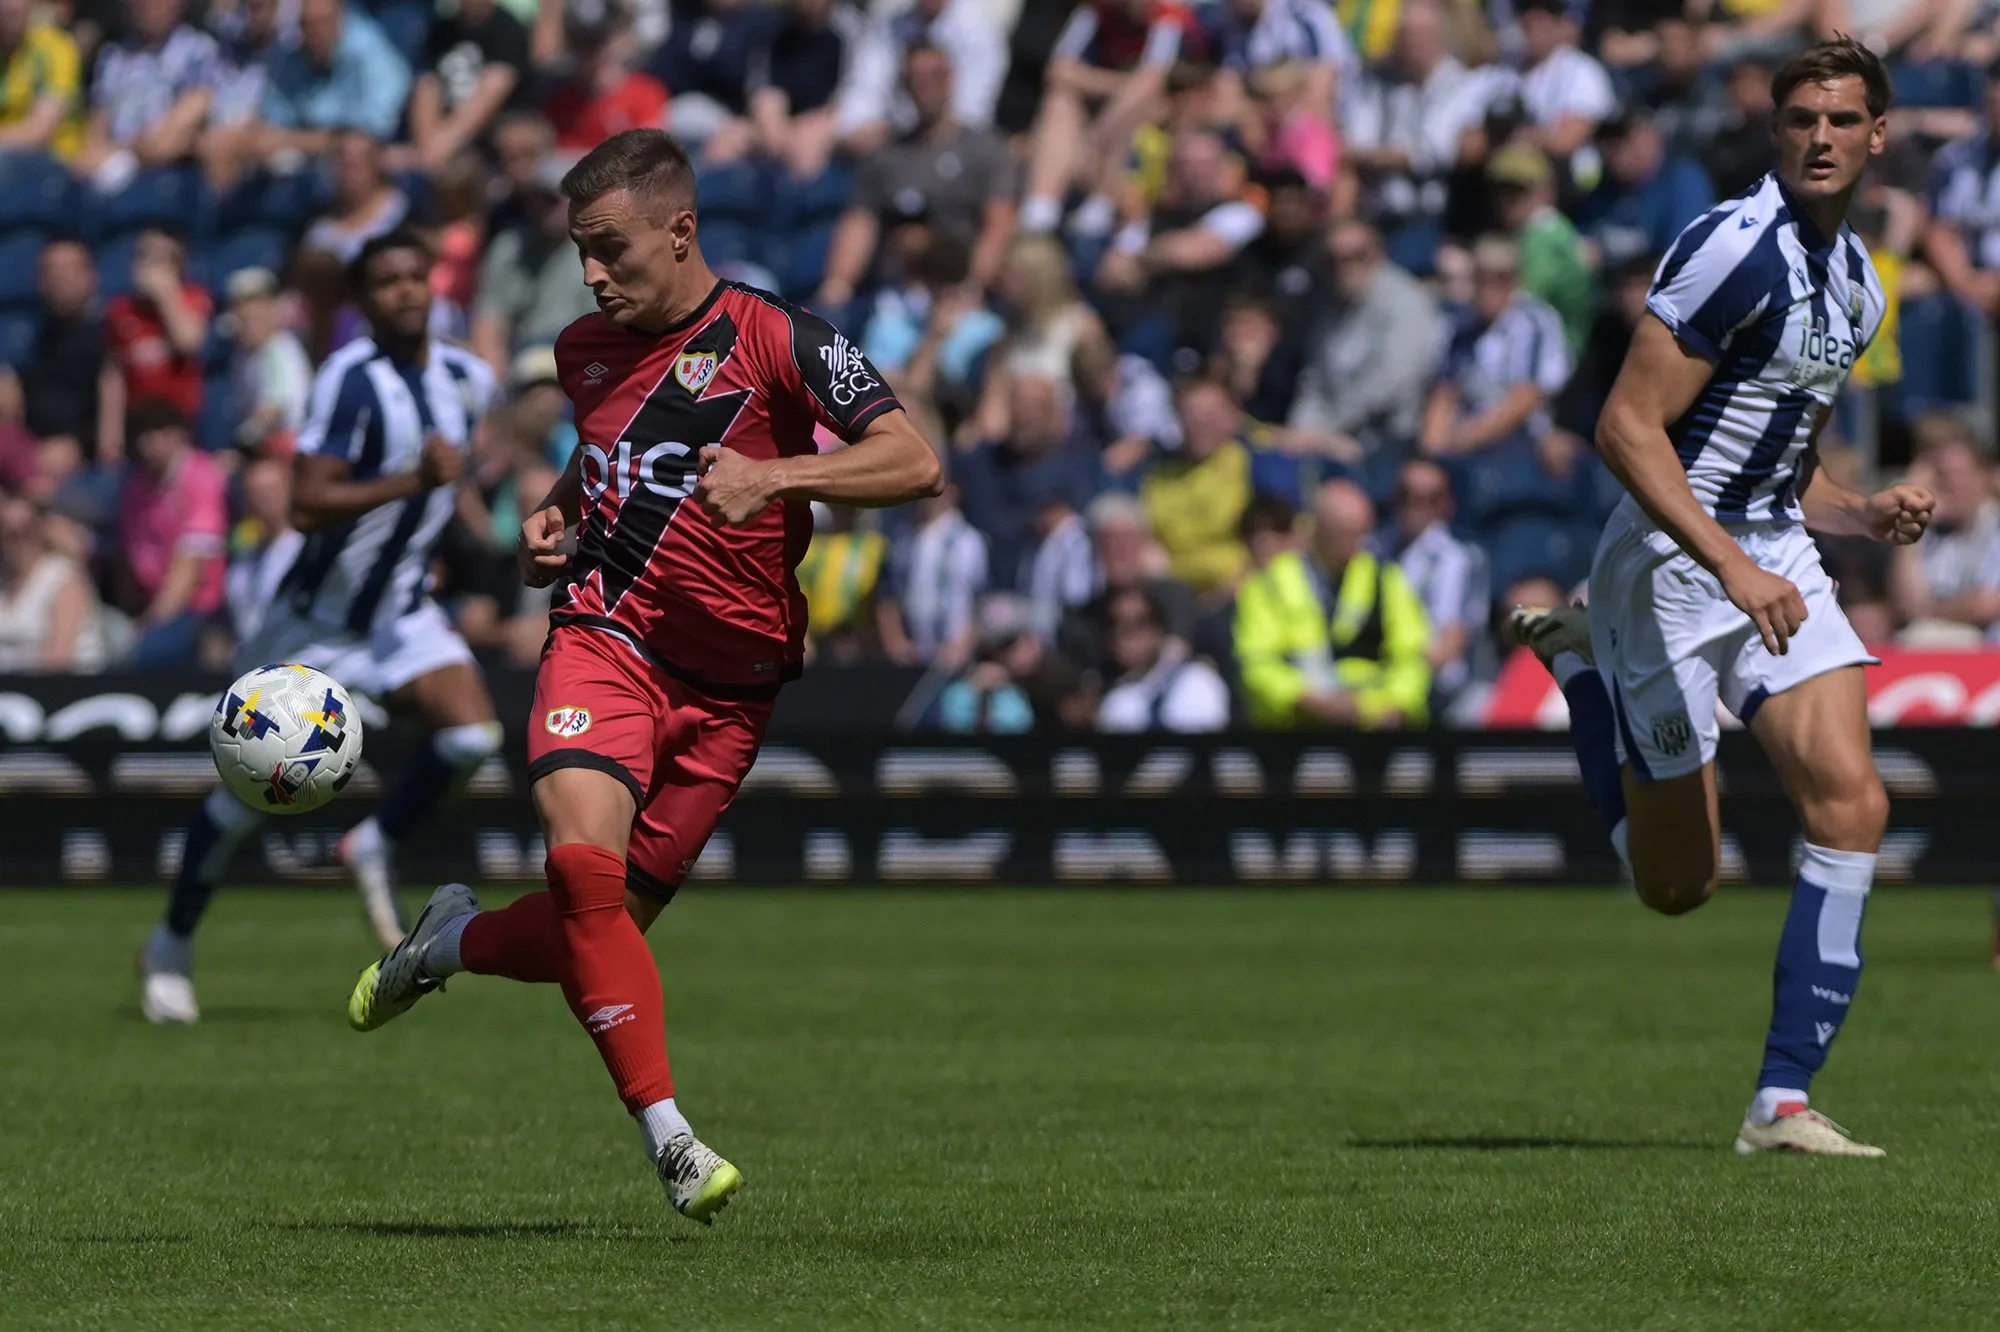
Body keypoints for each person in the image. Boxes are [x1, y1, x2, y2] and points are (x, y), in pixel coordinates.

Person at [343, 130, 942, 1223]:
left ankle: (448, 941)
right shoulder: (583, 351)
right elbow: (601, 456)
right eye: (580, 252)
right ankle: (669, 1139)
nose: (592, 274)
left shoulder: (781, 340)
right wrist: (557, 518)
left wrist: (777, 473)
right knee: (584, 882)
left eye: (610, 249)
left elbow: (913, 460)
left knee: (592, 934)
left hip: (734, 687)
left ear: (681, 231)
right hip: (604, 638)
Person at [1507, 39, 1935, 1156]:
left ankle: (1779, 1103)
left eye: (1842, 120)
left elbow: (1776, 458)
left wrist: (1857, 513)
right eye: (1800, 119)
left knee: (1851, 805)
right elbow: (1622, 427)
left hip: (1769, 550)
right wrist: (1729, 569)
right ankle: (1583, 675)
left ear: (1877, 133)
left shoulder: (1856, 284)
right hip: (1662, 565)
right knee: (1676, 887)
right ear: (1773, 130)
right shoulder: (1729, 249)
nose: (1820, 138)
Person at [139, 230, 506, 1024]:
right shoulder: (350, 381)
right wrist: (416, 480)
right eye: (388, 282)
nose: (408, 291)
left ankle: (374, 841)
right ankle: (170, 943)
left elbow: (465, 478)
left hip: (401, 613)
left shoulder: (466, 379)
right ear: (364, 302)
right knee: (242, 804)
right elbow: (305, 505)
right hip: (313, 625)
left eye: (418, 276)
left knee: (474, 737)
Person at [1234, 477, 1432, 727]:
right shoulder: (1269, 584)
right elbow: (1255, 664)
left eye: (1362, 534)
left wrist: (1395, 705)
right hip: (1295, 730)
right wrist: (1304, 698)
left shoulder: (1386, 580)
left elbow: (1411, 657)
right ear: (1317, 530)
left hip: (1375, 729)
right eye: (1345, 535)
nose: (1357, 546)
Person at [114, 400, 228, 666]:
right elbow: (128, 558)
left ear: (180, 433)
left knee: (147, 651)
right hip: (149, 602)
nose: (150, 441)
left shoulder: (202, 479)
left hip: (197, 608)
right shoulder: (136, 486)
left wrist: (146, 627)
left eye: (159, 430)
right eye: (144, 432)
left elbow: (189, 572)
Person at [1095, 583, 1229, 731]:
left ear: (1160, 630)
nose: (1126, 634)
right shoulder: (1113, 701)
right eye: (1114, 623)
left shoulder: (1196, 680)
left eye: (1139, 623)